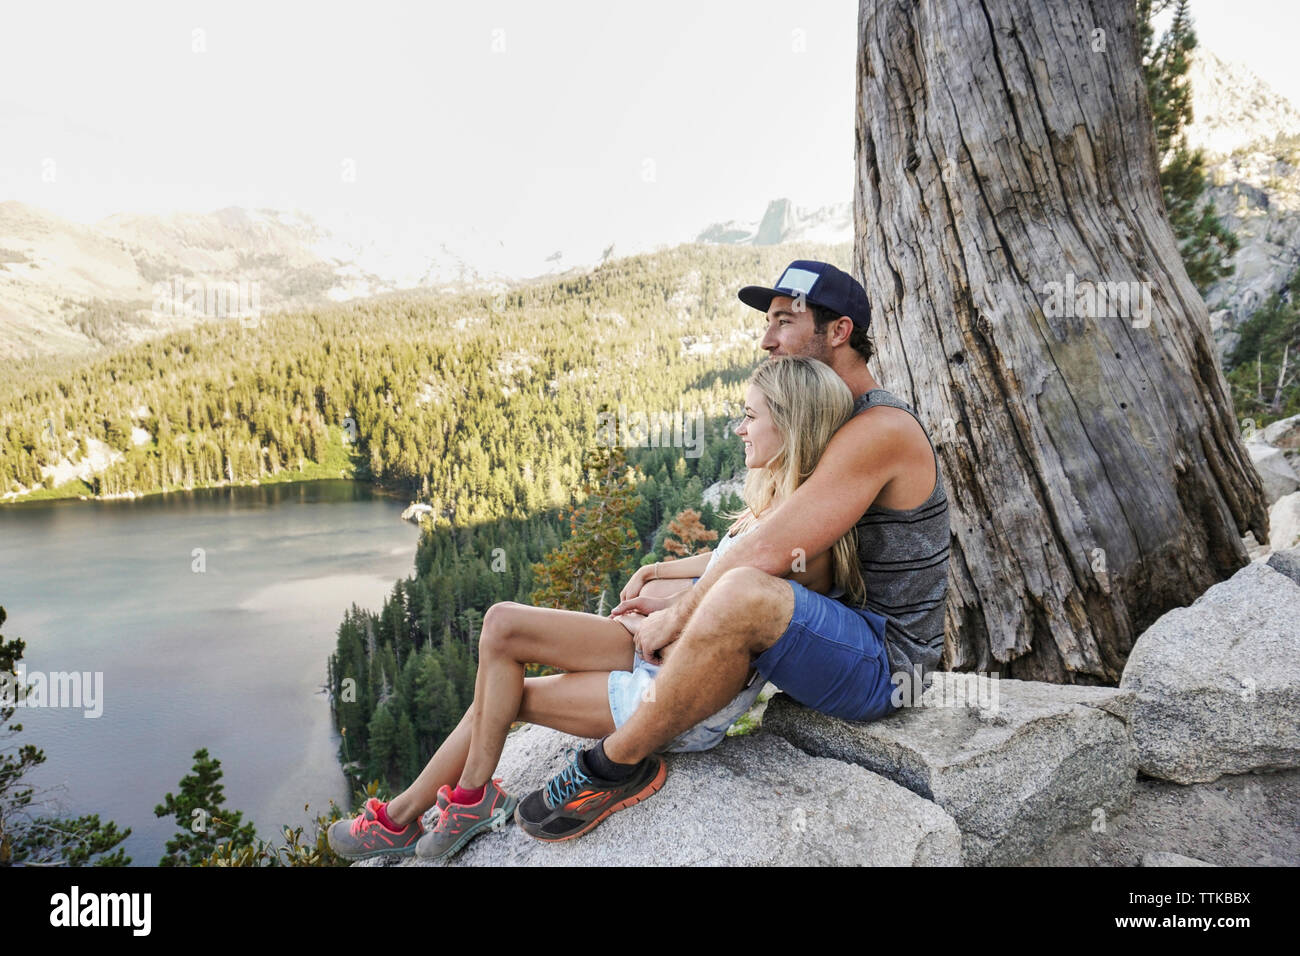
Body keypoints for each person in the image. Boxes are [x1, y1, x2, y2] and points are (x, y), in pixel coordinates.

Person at [327, 354, 867, 861]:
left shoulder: (807, 549)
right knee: (502, 624)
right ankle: (420, 813)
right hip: (656, 652)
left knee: (505, 694)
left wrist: (660, 612)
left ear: (792, 426)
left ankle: (440, 808)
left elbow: (736, 619)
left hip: (672, 697)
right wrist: (658, 577)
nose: (739, 429)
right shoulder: (778, 508)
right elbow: (723, 565)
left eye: (750, 416)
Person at [511, 259, 950, 843]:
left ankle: (614, 765)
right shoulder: (835, 416)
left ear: (839, 331)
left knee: (738, 591)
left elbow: (769, 548)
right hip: (844, 630)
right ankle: (636, 690)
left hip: (889, 662)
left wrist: (675, 616)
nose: (767, 340)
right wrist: (665, 581)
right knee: (688, 592)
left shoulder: (878, 429)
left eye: (784, 322)